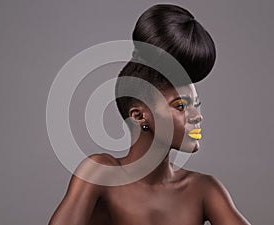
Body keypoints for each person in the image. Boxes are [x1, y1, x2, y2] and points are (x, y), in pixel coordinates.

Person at [48, 4, 251, 225]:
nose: (197, 116)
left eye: (196, 105)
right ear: (139, 115)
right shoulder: (102, 173)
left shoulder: (203, 189)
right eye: (181, 106)